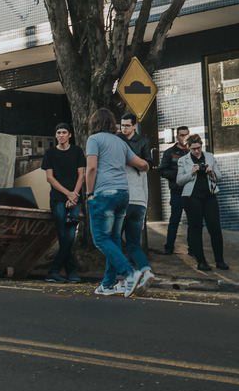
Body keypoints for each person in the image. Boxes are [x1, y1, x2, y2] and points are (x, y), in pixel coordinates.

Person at [85, 107, 150, 297]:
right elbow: (140, 164)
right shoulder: (121, 142)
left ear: (94, 123)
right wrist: (147, 165)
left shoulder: (94, 140)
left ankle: (130, 274)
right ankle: (107, 284)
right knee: (113, 239)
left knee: (100, 239)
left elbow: (91, 168)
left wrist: (89, 194)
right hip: (124, 194)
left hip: (104, 193)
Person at [176, 134, 228, 272]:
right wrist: (192, 172)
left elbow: (219, 177)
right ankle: (201, 262)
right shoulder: (183, 161)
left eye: (199, 148)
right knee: (196, 228)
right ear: (189, 148)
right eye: (193, 149)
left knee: (215, 228)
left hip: (209, 196)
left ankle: (220, 261)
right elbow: (179, 181)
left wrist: (211, 173)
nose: (197, 151)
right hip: (191, 198)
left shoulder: (210, 156)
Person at [41, 122, 84, 284]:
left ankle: (54, 270)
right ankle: (71, 271)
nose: (61, 135)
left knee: (70, 236)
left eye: (64, 132)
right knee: (63, 235)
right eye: (58, 132)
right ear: (56, 135)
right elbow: (49, 178)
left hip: (74, 199)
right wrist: (68, 194)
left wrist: (74, 196)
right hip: (58, 199)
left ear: (70, 135)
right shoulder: (50, 153)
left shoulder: (77, 151)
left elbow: (81, 176)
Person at [119, 112, 155, 292]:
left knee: (116, 241)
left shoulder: (142, 143)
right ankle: (146, 271)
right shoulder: (117, 139)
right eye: (122, 125)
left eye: (127, 125)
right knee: (133, 244)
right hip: (138, 200)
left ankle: (124, 278)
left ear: (134, 125)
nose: (123, 128)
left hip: (128, 199)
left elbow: (146, 170)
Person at [158, 125, 191, 255]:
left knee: (192, 221)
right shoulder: (169, 152)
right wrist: (178, 175)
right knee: (174, 220)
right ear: (177, 137)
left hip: (190, 191)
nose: (184, 137)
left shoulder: (191, 151)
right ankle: (169, 247)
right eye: (182, 135)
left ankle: (192, 248)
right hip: (177, 191)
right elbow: (163, 170)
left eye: (186, 134)